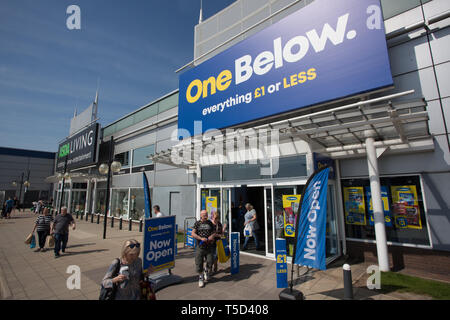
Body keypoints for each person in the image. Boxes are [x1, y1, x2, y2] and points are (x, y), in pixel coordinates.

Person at [191, 210, 218, 288]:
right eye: (204, 215)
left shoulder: (210, 223)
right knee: (199, 263)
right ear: (201, 215)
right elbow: (193, 233)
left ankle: (206, 270)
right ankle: (201, 277)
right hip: (200, 246)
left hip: (209, 246)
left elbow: (214, 232)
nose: (206, 216)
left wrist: (211, 236)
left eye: (206, 214)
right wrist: (200, 238)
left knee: (211, 261)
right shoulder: (197, 223)